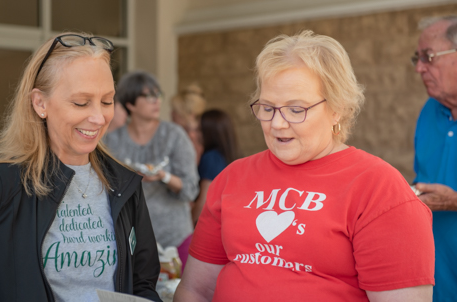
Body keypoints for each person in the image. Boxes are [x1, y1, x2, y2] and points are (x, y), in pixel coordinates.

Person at [175, 31, 435, 302]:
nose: (276, 123)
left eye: (296, 109)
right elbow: (196, 290)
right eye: (267, 107)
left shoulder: (380, 189)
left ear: (337, 108)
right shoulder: (231, 178)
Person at [0, 33, 161, 302]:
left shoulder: (124, 184)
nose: (99, 117)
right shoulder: (2, 185)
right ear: (40, 103)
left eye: (107, 101)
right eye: (81, 102)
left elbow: (143, 285)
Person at [105, 71, 199, 250]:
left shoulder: (175, 136)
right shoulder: (111, 141)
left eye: (158, 95)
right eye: (149, 96)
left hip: (175, 237)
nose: (157, 101)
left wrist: (163, 176)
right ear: (130, 103)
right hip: (129, 237)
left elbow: (190, 189)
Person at [411, 15, 457, 301]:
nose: (419, 68)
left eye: (428, 57)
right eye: (417, 58)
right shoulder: (429, 111)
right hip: (438, 286)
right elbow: (423, 178)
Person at [191, 109, 241, 225]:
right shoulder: (233, 155)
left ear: (209, 132)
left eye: (199, 130)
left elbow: (205, 200)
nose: (195, 134)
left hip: (213, 222)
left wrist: (190, 223)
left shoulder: (211, 157)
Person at [170, 84, 206, 164]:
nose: (171, 114)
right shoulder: (195, 132)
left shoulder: (191, 136)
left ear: (189, 114)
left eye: (175, 111)